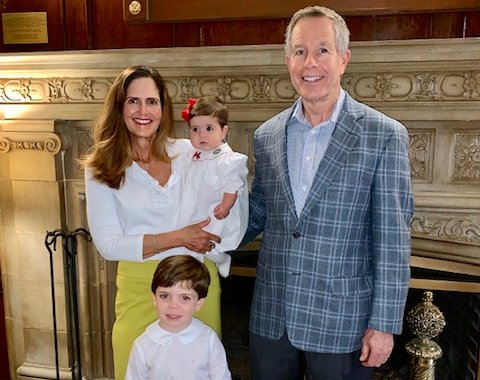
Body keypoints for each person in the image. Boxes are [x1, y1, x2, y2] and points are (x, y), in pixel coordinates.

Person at [242, 6, 414, 380]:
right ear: (288, 60)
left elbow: (393, 240)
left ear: (343, 59)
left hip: (343, 322)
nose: (310, 63)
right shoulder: (267, 135)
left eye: (322, 50)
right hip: (274, 316)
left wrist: (383, 324)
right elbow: (258, 213)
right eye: (300, 51)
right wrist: (195, 225)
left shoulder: (384, 136)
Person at [82, 65, 222, 380]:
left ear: (163, 108)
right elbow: (109, 244)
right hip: (141, 289)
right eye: (133, 101)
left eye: (152, 101)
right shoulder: (101, 167)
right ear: (119, 108)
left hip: (195, 284)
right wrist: (180, 237)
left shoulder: (190, 152)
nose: (143, 110)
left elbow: (228, 186)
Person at [125, 255, 232, 380]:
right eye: (164, 296)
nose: (173, 305)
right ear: (154, 298)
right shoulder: (143, 344)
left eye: (185, 298)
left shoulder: (208, 339)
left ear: (198, 303)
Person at [179, 96, 249, 278]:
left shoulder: (227, 159)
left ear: (224, 131)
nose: (202, 135)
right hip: (197, 204)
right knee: (191, 236)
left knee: (211, 237)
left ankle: (221, 258)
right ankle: (195, 262)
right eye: (195, 129)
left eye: (209, 128)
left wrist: (225, 206)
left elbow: (232, 185)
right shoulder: (193, 155)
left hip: (216, 209)